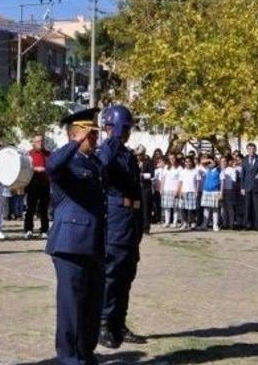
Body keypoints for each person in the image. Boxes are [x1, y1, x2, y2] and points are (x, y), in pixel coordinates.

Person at [45, 107, 119, 364]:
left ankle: (86, 353)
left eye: (96, 135)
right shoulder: (65, 163)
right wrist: (75, 142)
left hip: (94, 241)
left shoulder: (94, 163)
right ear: (75, 135)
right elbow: (52, 164)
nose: (95, 139)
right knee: (71, 305)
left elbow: (108, 157)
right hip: (70, 244)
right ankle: (68, 357)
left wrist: (114, 135)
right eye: (90, 135)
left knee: (92, 303)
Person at [97, 105, 145, 350]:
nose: (126, 133)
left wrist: (141, 221)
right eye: (122, 128)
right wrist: (112, 140)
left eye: (127, 129)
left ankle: (119, 323)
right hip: (116, 220)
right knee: (112, 274)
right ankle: (103, 323)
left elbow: (137, 188)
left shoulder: (126, 154)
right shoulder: (108, 150)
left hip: (130, 219)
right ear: (110, 127)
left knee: (127, 274)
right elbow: (103, 165)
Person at [25, 133, 51, 239]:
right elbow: (25, 168)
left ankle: (44, 230)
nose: (40, 143)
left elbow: (52, 167)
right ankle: (28, 229)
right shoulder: (28, 154)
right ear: (33, 143)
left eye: (41, 141)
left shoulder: (48, 154)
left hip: (45, 184)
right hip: (32, 184)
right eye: (37, 141)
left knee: (44, 209)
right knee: (30, 208)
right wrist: (35, 169)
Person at [241, 143, 258, 231]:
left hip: (257, 186)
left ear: (255, 149)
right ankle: (248, 224)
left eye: (253, 149)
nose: (251, 151)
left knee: (257, 207)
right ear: (247, 150)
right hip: (247, 186)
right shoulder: (244, 160)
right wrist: (242, 187)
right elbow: (243, 174)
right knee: (247, 207)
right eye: (249, 149)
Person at [200, 156, 222, 232]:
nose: (209, 164)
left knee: (215, 210)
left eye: (210, 163)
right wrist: (209, 159)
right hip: (206, 191)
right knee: (206, 209)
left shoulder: (218, 169)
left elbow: (222, 182)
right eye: (208, 163)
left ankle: (215, 225)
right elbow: (202, 162)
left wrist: (212, 160)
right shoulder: (207, 169)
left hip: (215, 191)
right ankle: (204, 224)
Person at [159, 154, 182, 228]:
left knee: (175, 207)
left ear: (176, 158)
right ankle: (167, 221)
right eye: (170, 158)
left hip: (174, 189)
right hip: (166, 189)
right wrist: (161, 188)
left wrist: (177, 190)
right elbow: (163, 178)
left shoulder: (179, 168)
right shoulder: (166, 167)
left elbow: (180, 181)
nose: (172, 160)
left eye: (173, 158)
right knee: (167, 207)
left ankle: (175, 222)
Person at [136, 146, 155, 233]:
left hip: (145, 188)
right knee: (137, 208)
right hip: (137, 188)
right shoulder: (135, 162)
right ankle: (138, 226)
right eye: (137, 155)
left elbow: (152, 175)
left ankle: (146, 227)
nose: (139, 156)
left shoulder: (149, 162)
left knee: (146, 208)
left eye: (140, 155)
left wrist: (142, 175)